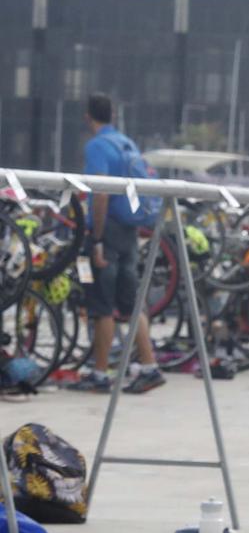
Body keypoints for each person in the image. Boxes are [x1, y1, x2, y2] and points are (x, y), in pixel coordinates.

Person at [72, 94, 163, 395]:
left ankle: (100, 374)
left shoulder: (97, 146)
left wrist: (96, 239)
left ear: (88, 117)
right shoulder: (127, 143)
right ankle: (149, 367)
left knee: (102, 305)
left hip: (107, 230)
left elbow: (100, 193)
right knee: (132, 303)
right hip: (129, 230)